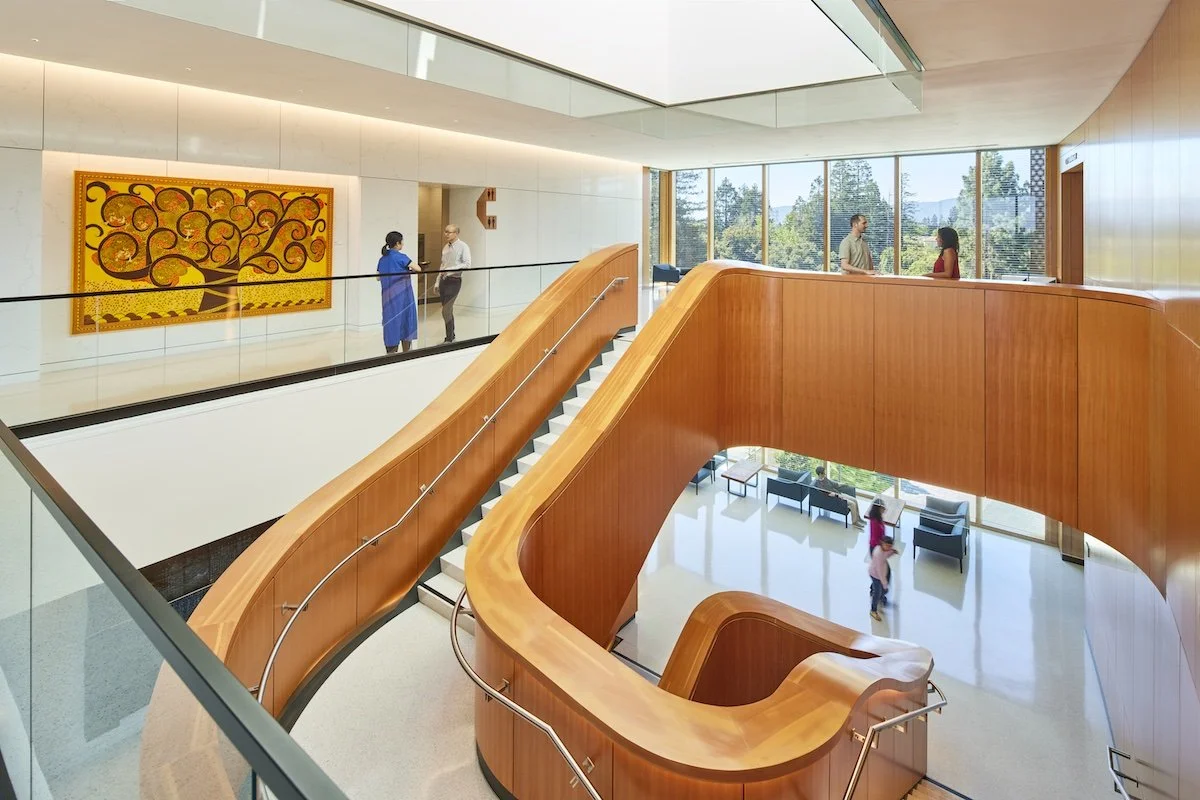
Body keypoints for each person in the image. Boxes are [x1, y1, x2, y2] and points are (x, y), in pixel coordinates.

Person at [377, 231, 420, 354]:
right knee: (406, 320)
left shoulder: (382, 259)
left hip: (387, 297)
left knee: (391, 322)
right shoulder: (401, 257)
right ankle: (406, 352)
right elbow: (418, 268)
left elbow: (378, 277)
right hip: (403, 296)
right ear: (397, 243)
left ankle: (391, 352)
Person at [438, 223, 471, 343]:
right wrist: (437, 282)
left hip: (454, 281)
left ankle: (449, 338)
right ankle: (451, 334)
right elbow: (442, 265)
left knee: (446, 310)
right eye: (445, 231)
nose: (446, 234)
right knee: (446, 310)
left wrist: (451, 270)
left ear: (456, 233)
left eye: (448, 232)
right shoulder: (446, 247)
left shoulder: (463, 246)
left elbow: (467, 264)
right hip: (443, 281)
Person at [867, 501, 891, 604]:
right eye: (882, 507)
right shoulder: (875, 521)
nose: (884, 509)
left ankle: (874, 589)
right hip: (876, 549)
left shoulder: (878, 519)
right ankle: (880, 593)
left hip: (878, 548)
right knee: (883, 572)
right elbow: (876, 539)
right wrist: (884, 548)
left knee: (879, 571)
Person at [869, 535, 895, 621]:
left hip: (879, 574)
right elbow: (879, 571)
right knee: (878, 592)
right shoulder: (878, 554)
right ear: (882, 544)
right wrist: (884, 583)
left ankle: (879, 596)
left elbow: (886, 554)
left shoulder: (883, 550)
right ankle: (873, 611)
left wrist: (892, 552)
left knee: (881, 590)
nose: (888, 548)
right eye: (887, 546)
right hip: (876, 575)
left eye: (890, 546)